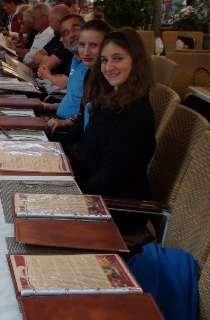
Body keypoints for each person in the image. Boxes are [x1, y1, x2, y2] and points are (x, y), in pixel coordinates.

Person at [61, 28, 156, 233]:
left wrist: (67, 195)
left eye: (118, 59)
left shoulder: (135, 114)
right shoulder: (110, 100)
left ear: (136, 61)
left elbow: (110, 178)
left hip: (116, 209)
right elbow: (88, 152)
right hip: (94, 194)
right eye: (104, 60)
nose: (108, 67)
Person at [45, 18, 111, 132]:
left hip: (69, 127)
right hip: (66, 125)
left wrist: (67, 122)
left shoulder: (105, 79)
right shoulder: (79, 63)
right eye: (82, 45)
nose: (86, 52)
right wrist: (49, 106)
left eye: (93, 45)